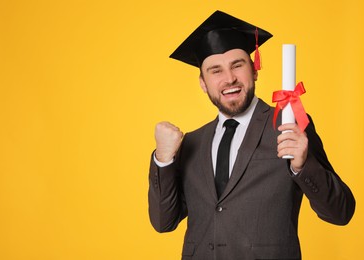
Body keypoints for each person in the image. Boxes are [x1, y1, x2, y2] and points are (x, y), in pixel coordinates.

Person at [147, 10, 355, 260]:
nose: (229, 78)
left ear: (254, 70)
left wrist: (303, 166)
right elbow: (163, 222)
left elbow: (341, 212)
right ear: (203, 83)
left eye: (237, 65)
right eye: (215, 71)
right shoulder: (192, 142)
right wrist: (163, 159)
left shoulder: (289, 126)